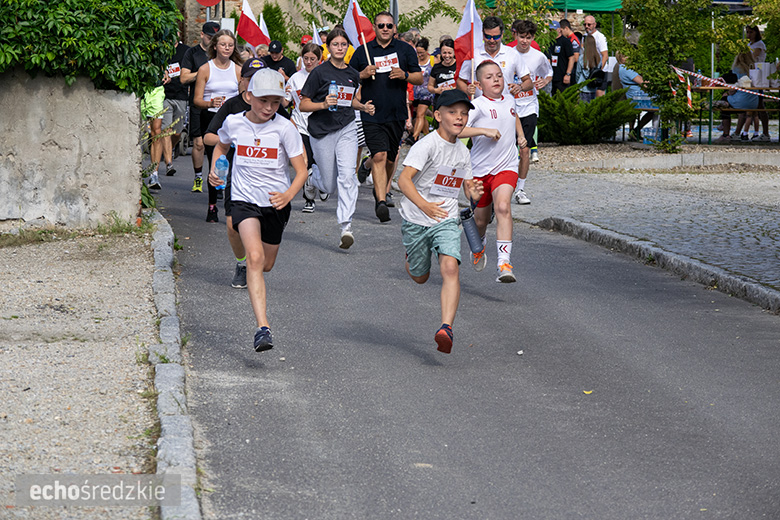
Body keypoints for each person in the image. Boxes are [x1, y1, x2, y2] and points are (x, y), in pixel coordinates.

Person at [209, 68, 308, 352]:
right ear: (249, 96)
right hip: (243, 199)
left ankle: (249, 266)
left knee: (265, 264)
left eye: (275, 102)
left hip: (276, 203)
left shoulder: (285, 128)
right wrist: (216, 169)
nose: (269, 108)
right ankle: (263, 328)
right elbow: (222, 147)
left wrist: (288, 195)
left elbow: (300, 171)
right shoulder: (233, 122)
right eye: (263, 100)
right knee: (254, 259)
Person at [397, 89, 484, 354]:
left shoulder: (463, 152)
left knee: (450, 268)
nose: (459, 118)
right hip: (416, 219)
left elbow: (466, 188)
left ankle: (446, 327)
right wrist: (424, 205)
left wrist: (474, 196)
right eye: (452, 112)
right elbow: (402, 180)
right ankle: (412, 258)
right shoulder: (427, 145)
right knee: (421, 277)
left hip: (446, 218)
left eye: (464, 114)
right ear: (437, 115)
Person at [300, 28, 376, 248]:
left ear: (347, 47)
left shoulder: (353, 74)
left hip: (347, 127)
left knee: (347, 176)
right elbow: (304, 104)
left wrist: (363, 106)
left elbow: (348, 100)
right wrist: (323, 104)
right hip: (322, 130)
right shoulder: (319, 73)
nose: (340, 48)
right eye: (336, 45)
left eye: (344, 45)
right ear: (328, 47)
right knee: (329, 185)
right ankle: (312, 178)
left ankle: (346, 226)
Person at [351, 11, 423, 223]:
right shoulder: (364, 50)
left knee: (390, 158)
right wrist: (361, 75)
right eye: (381, 25)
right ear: (374, 27)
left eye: (388, 26)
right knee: (379, 155)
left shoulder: (404, 49)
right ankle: (381, 201)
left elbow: (419, 77)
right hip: (371, 112)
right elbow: (347, 76)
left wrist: (405, 75)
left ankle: (374, 177)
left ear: (394, 28)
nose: (384, 29)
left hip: (397, 113)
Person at [459, 61, 526, 283]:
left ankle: (504, 264)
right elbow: (457, 130)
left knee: (504, 207)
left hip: (506, 167)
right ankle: (479, 246)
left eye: (499, 75)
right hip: (479, 170)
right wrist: (484, 131)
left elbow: (513, 115)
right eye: (489, 77)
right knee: (481, 221)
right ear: (479, 83)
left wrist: (520, 135)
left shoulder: (510, 99)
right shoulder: (476, 106)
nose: (496, 79)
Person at [203, 57, 268, 289]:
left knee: (263, 227)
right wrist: (232, 141)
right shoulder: (231, 106)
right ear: (242, 82)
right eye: (250, 80)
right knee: (232, 225)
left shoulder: (272, 106)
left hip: (265, 175)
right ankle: (242, 263)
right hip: (236, 174)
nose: (253, 84)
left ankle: (256, 259)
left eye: (259, 80)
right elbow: (209, 137)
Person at [193, 29, 241, 223]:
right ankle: (212, 206)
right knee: (216, 162)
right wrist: (210, 103)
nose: (227, 48)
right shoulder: (206, 69)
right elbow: (197, 99)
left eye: (230, 45)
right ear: (215, 46)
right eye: (223, 44)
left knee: (235, 162)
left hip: (233, 120)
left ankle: (234, 204)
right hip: (211, 118)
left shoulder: (238, 69)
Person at [512, 20, 552, 204]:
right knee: (507, 150)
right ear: (515, 35)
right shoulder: (508, 54)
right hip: (509, 107)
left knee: (525, 148)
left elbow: (548, 72)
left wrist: (545, 81)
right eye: (521, 37)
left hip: (528, 106)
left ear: (533, 38)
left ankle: (520, 190)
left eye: (528, 38)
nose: (524, 41)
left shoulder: (538, 56)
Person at [181, 21, 219, 194]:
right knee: (198, 143)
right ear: (202, 35)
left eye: (215, 39)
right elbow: (183, 78)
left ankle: (217, 180)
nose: (212, 42)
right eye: (210, 38)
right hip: (197, 103)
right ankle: (198, 177)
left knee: (217, 144)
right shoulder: (192, 53)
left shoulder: (220, 54)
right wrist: (204, 72)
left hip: (217, 106)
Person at [456, 16, 532, 99]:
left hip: (505, 106)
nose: (492, 40)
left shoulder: (512, 54)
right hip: (481, 107)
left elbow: (528, 82)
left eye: (496, 37)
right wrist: (467, 90)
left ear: (502, 34)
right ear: (482, 34)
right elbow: (460, 81)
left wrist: (520, 87)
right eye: (488, 37)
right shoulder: (473, 55)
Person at [286, 42, 322, 213]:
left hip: (320, 125)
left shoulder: (324, 76)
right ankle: (309, 200)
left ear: (319, 59)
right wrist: (281, 93)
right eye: (305, 58)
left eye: (312, 59)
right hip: (300, 125)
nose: (308, 62)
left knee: (318, 163)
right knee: (305, 163)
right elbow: (286, 102)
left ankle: (321, 182)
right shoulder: (295, 78)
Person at [161, 33, 190, 177]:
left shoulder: (186, 51)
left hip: (181, 95)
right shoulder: (161, 50)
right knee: (166, 129)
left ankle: (171, 147)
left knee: (177, 132)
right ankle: (169, 163)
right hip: (164, 95)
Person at [617, 52, 656, 139]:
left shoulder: (623, 68)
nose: (627, 57)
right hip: (637, 97)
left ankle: (634, 131)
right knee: (655, 110)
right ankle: (636, 131)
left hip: (635, 96)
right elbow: (643, 82)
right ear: (620, 58)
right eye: (624, 56)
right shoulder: (626, 69)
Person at [409, 37, 435, 145]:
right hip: (415, 92)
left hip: (427, 92)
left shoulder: (432, 60)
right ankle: (427, 137)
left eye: (421, 53)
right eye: (418, 52)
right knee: (421, 116)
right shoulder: (414, 60)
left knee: (420, 114)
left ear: (426, 50)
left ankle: (414, 138)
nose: (419, 55)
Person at [746, 25, 770, 141]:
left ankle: (765, 133)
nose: (748, 35)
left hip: (759, 77)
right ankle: (755, 132)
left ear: (756, 32)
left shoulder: (759, 45)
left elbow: (752, 57)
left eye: (750, 32)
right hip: (750, 76)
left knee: (760, 106)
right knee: (754, 108)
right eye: (747, 32)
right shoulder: (749, 44)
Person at [140, 85, 165, 190]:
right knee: (136, 132)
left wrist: (166, 72)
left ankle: (154, 175)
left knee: (156, 133)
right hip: (139, 89)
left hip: (156, 89)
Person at [583, 15, 608, 97]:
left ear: (594, 25)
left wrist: (598, 71)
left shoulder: (600, 37)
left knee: (598, 96)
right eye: (585, 24)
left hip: (599, 71)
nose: (586, 27)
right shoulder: (585, 36)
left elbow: (605, 55)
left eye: (589, 24)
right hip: (588, 71)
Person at [549, 21, 576, 94]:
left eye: (554, 30)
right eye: (550, 30)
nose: (552, 32)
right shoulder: (549, 42)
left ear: (559, 29)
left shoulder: (565, 42)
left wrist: (568, 74)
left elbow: (571, 58)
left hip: (562, 77)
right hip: (551, 77)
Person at [427, 38, 457, 105]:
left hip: (456, 101)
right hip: (440, 102)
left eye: (449, 53)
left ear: (454, 52)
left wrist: (453, 89)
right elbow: (430, 86)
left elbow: (464, 84)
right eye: (444, 53)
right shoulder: (436, 67)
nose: (447, 56)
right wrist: (436, 90)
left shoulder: (459, 66)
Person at [576, 34, 602, 103]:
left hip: (582, 86)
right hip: (593, 86)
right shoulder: (599, 58)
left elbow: (578, 73)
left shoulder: (582, 58)